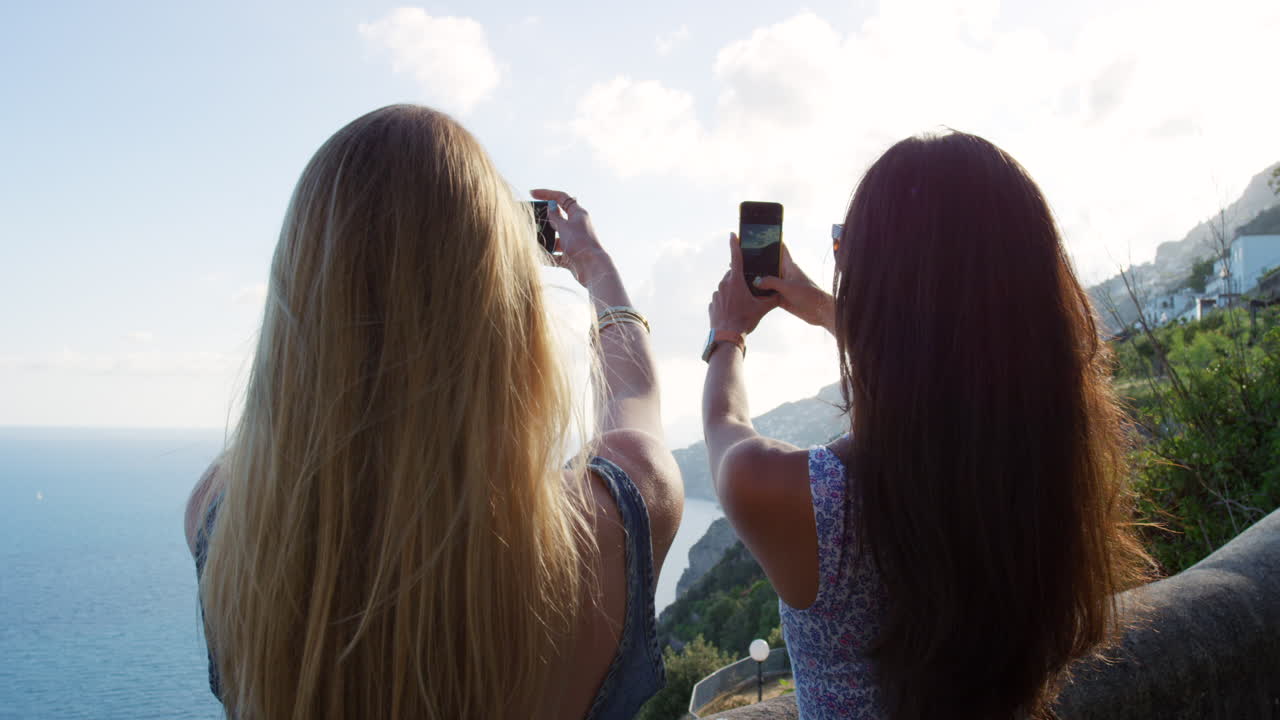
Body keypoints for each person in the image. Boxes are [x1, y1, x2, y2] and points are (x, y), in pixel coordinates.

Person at [183, 105, 682, 720]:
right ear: (510, 316)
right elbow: (632, 401)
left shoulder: (220, 517)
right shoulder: (609, 526)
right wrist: (598, 270)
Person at [701, 131, 1152, 720]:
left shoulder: (814, 501)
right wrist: (822, 303)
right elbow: (954, 352)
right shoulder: (1047, 462)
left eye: (845, 248)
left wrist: (728, 333)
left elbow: (723, 423)